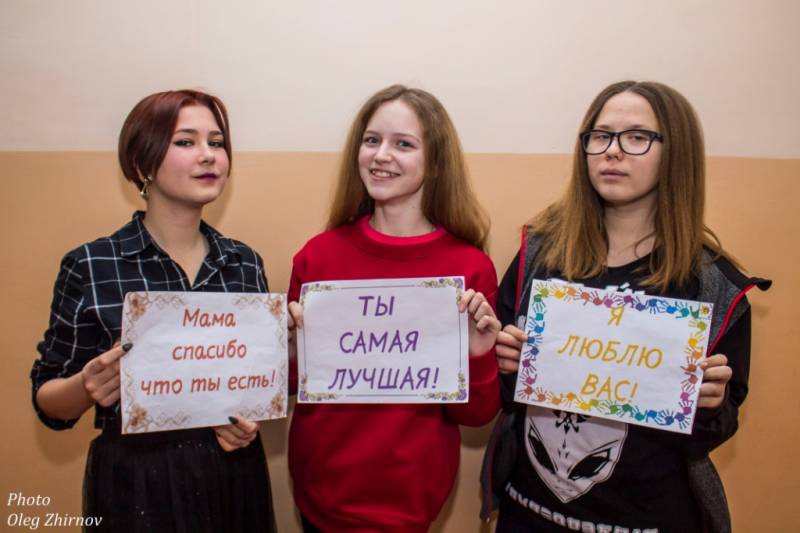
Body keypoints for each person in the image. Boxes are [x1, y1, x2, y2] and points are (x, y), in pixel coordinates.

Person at [480, 81, 771, 532]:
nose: (612, 151)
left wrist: (709, 405)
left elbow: (711, 434)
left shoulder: (711, 285)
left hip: (649, 520)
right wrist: (501, 361)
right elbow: (501, 394)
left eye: (637, 137)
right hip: (528, 514)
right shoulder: (540, 256)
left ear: (676, 153)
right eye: (600, 136)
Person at [30, 90, 277, 533]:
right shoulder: (92, 263)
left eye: (217, 142)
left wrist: (247, 424)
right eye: (185, 141)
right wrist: (87, 386)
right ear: (141, 162)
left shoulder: (243, 262)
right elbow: (48, 401)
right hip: (137, 482)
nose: (208, 155)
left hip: (233, 476)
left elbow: (250, 386)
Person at [286, 84, 501, 532]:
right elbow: (295, 384)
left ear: (435, 161)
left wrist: (480, 355)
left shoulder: (469, 268)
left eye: (403, 144)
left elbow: (476, 416)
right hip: (320, 494)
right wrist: (287, 350)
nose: (381, 155)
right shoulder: (318, 257)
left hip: (411, 502)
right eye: (372, 140)